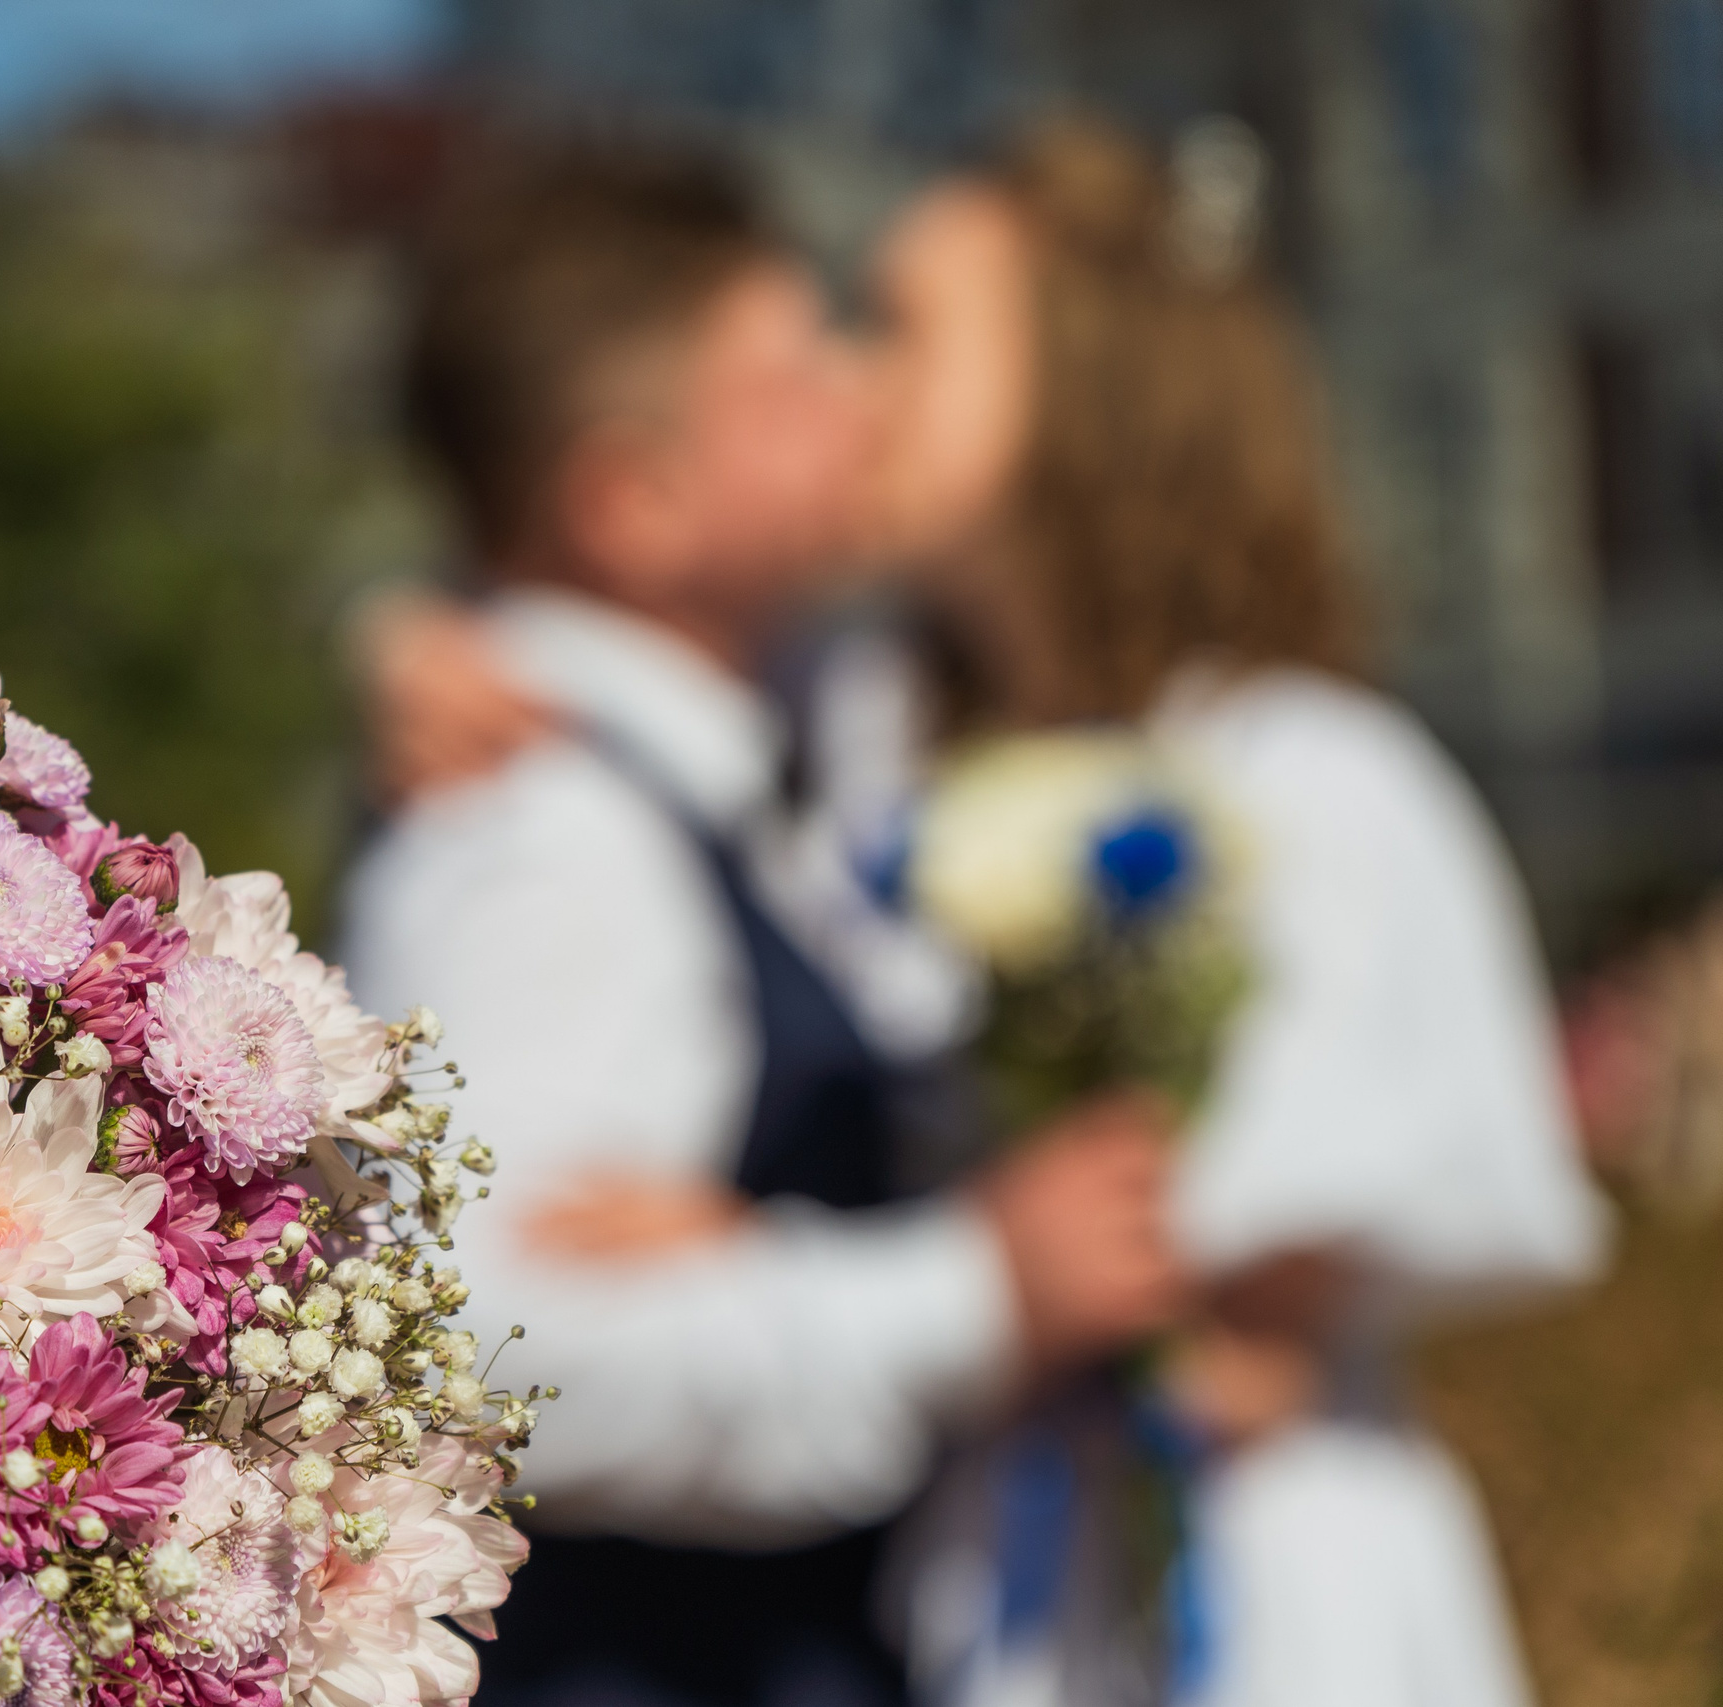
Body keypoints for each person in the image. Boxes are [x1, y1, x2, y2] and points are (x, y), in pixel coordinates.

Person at [362, 120, 1609, 1707]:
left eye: (904, 333)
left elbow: (1215, 1308)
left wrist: (770, 1249)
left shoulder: (1292, 769)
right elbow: (604, 649)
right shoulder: (875, 736)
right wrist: (415, 639)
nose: (856, 385)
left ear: (1088, 391)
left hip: (1241, 1603)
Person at [337, 133, 1186, 1707]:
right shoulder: (543, 831)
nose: (860, 397)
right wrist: (972, 1291)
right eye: (794, 375)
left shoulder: (769, 742)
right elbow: (483, 1355)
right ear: (635, 499)